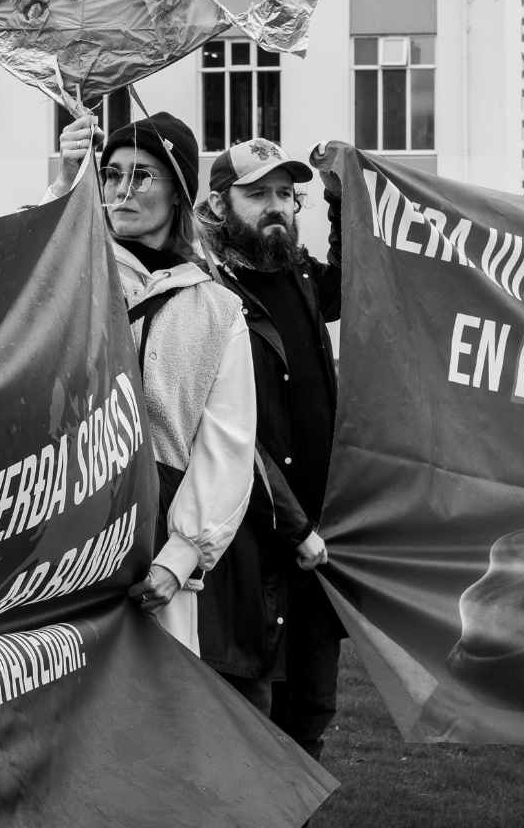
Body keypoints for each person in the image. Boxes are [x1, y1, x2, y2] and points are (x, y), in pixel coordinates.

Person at [49, 111, 256, 654]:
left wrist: (181, 556)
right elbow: (28, 275)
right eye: (111, 175)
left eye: (140, 176)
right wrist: (68, 181)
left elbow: (226, 447)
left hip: (156, 537)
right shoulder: (76, 271)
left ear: (178, 191)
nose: (121, 190)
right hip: (66, 513)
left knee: (153, 709)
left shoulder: (217, 309)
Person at [193, 136, 344, 758]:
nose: (276, 206)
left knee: (308, 721)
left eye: (287, 194)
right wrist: (294, 525)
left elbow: (372, 269)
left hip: (316, 553)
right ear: (219, 205)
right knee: (247, 738)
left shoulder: (304, 278)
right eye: (258, 194)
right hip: (250, 550)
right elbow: (226, 432)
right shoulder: (206, 292)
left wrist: (341, 188)